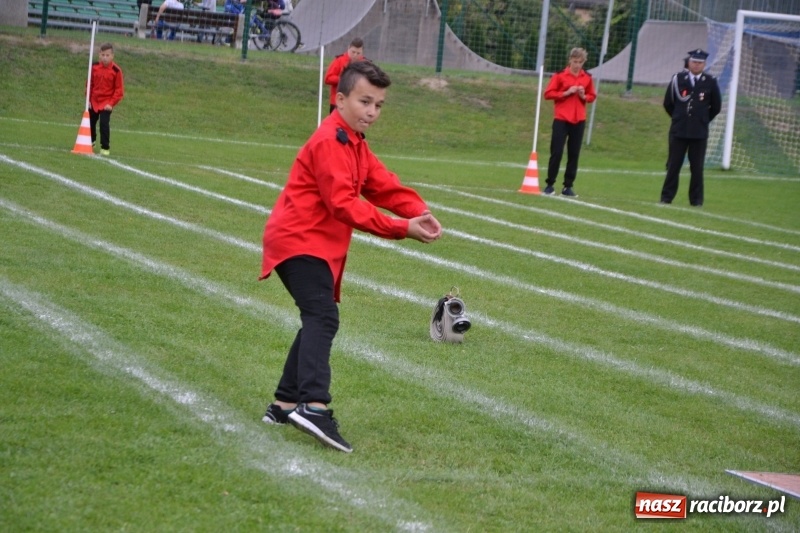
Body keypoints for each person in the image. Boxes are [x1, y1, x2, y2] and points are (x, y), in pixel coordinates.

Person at [259, 60, 442, 453]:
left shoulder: (354, 142)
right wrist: (400, 228)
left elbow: (382, 184)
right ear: (339, 100)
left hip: (316, 246)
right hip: (298, 241)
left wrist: (416, 211)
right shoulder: (330, 141)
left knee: (317, 316)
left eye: (378, 105)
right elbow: (343, 204)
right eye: (364, 102)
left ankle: (285, 403)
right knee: (322, 316)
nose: (372, 112)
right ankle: (313, 405)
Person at [660, 49, 722, 207]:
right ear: (689, 62)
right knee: (674, 165)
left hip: (699, 132)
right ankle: (666, 197)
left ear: (704, 64)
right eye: (694, 62)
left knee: (697, 167)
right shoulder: (678, 79)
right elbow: (668, 103)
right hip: (679, 130)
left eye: (700, 63)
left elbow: (716, 106)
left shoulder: (710, 81)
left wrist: (702, 120)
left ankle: (696, 200)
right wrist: (678, 118)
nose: (696, 65)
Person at [543, 47, 596, 197]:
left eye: (580, 62)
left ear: (583, 62)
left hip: (579, 119)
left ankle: (568, 186)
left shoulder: (587, 77)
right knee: (557, 152)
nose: (577, 65)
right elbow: (548, 94)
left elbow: (592, 96)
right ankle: (550, 184)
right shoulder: (560, 76)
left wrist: (583, 96)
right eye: (575, 61)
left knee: (574, 154)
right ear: (570, 60)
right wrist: (565, 93)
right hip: (561, 118)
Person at [88, 43, 124, 156]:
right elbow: (89, 84)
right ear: (99, 55)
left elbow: (119, 91)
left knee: (104, 124)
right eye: (103, 55)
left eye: (107, 55)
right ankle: (91, 141)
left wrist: (111, 103)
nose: (105, 57)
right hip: (94, 101)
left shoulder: (116, 71)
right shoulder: (93, 67)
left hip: (106, 102)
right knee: (90, 122)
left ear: (112, 56)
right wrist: (88, 99)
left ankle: (105, 147)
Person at [325, 38, 365, 114]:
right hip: (338, 102)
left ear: (362, 52)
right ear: (348, 48)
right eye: (353, 52)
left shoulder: (365, 64)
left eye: (358, 53)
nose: (355, 55)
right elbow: (328, 78)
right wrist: (344, 80)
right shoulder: (339, 60)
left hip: (357, 103)